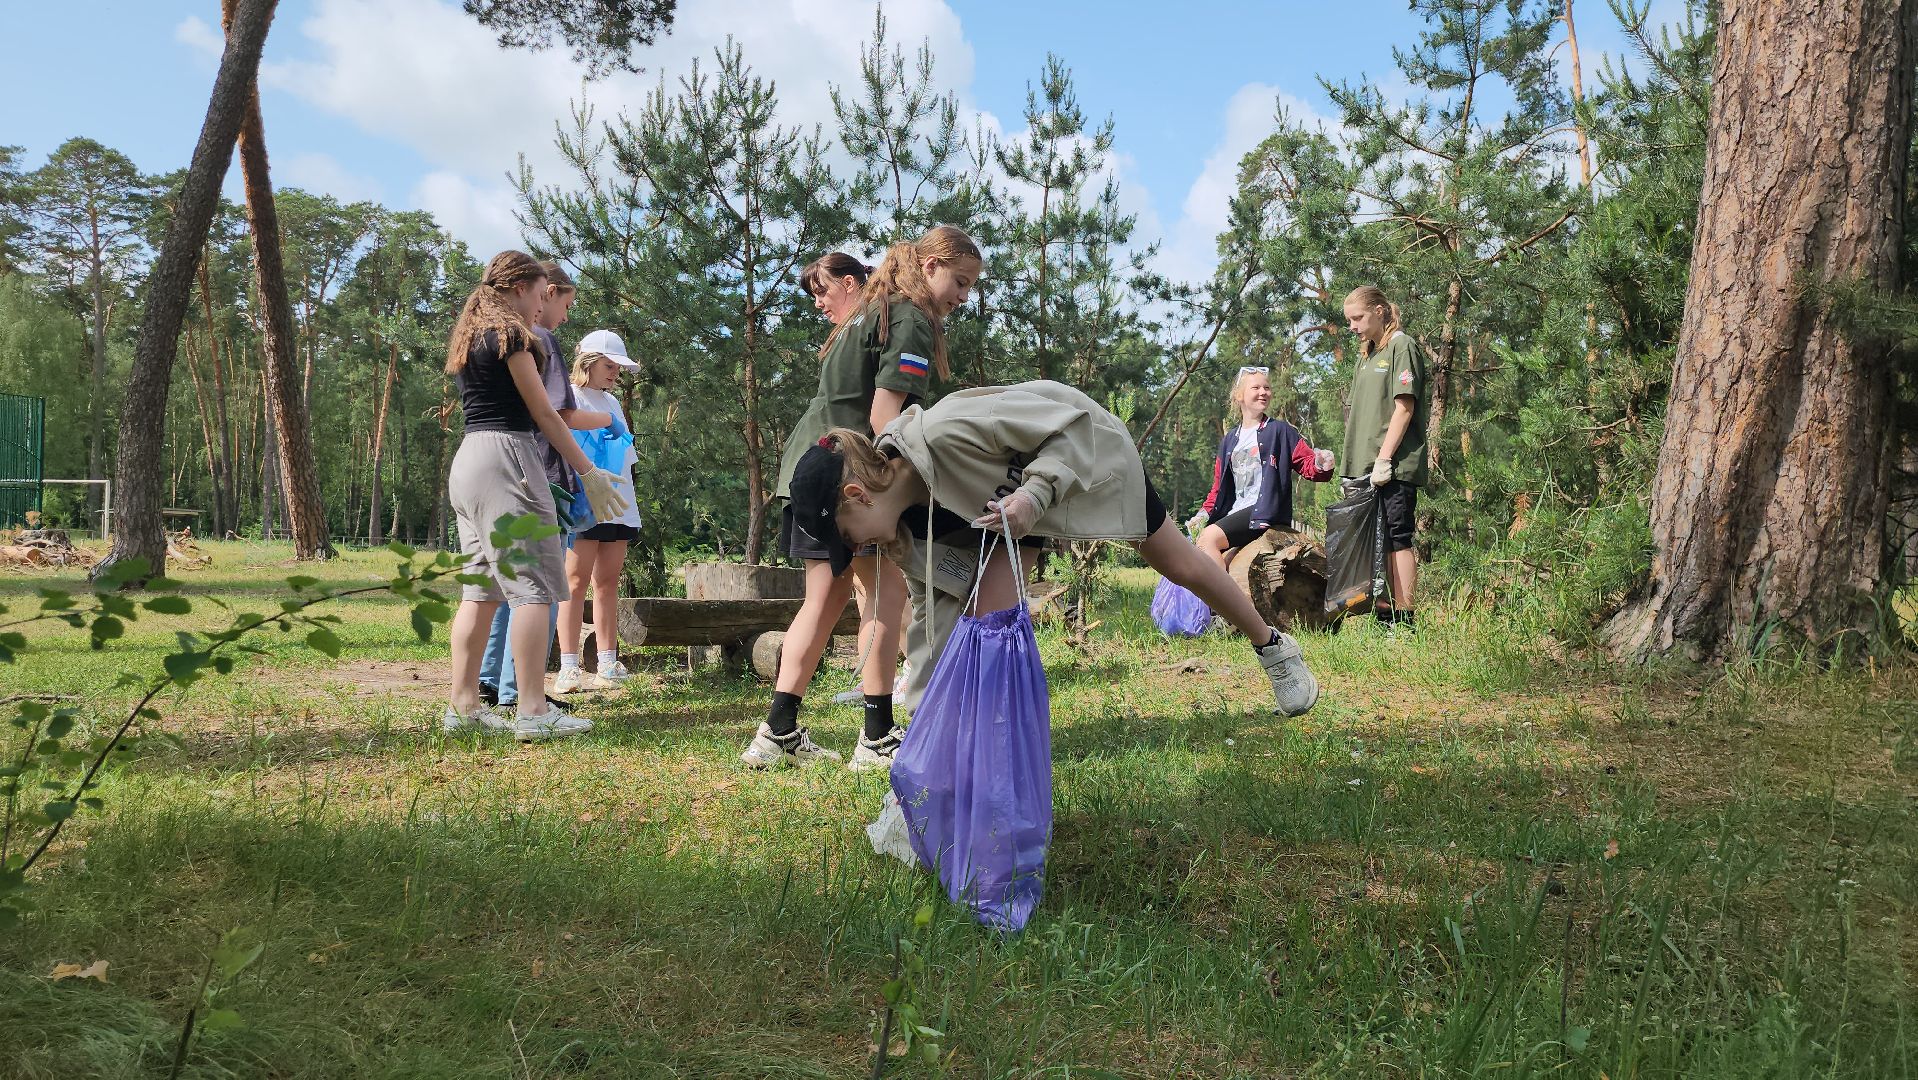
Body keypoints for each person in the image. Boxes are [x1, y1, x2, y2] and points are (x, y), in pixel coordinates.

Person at [786, 380, 1322, 725]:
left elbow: (1070, 429)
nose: (860, 551)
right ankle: (991, 744)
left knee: (1179, 563)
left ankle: (1273, 646)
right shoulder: (904, 531)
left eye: (851, 538)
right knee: (988, 616)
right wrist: (922, 722)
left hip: (1078, 463)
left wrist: (1033, 496)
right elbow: (930, 623)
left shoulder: (949, 431)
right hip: (1004, 514)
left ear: (858, 495)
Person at [741, 229, 983, 772]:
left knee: (823, 603)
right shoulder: (909, 316)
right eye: (960, 282)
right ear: (931, 264)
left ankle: (777, 733)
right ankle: (876, 738)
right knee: (883, 600)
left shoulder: (871, 311)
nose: (963, 297)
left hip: (812, 467)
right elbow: (885, 418)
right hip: (853, 481)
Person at [442, 251, 630, 740]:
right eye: (540, 293)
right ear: (521, 287)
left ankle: (462, 706)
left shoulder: (470, 336)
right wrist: (588, 471)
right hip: (509, 458)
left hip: (469, 462)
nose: (542, 303)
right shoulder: (512, 338)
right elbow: (547, 415)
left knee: (480, 589)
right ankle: (532, 710)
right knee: (536, 587)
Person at [555, 330, 642, 692]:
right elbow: (565, 423)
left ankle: (608, 661)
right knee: (574, 582)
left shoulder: (612, 402)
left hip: (618, 500)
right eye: (609, 366)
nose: (614, 374)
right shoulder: (571, 397)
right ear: (588, 362)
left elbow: (625, 454)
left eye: (618, 368)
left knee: (607, 582)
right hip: (584, 498)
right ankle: (568, 665)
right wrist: (606, 424)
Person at [1186, 366, 1335, 570]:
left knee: (1208, 539)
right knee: (1197, 544)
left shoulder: (1280, 431)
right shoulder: (1230, 440)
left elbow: (1309, 466)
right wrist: (1203, 515)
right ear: (1239, 396)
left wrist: (1322, 463)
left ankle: (1224, 601)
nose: (1263, 392)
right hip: (1234, 513)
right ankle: (1219, 598)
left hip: (1264, 511)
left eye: (1266, 387)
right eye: (1256, 387)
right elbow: (1218, 489)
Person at [1340, 285, 1427, 628]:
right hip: (1362, 465)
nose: (1353, 326)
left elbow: (1404, 407)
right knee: (1374, 543)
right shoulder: (1368, 354)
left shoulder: (1401, 345)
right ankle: (1383, 615)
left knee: (1397, 537)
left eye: (1357, 317)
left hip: (1393, 465)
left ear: (1379, 311)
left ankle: (1404, 620)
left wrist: (1384, 459)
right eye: (1349, 320)